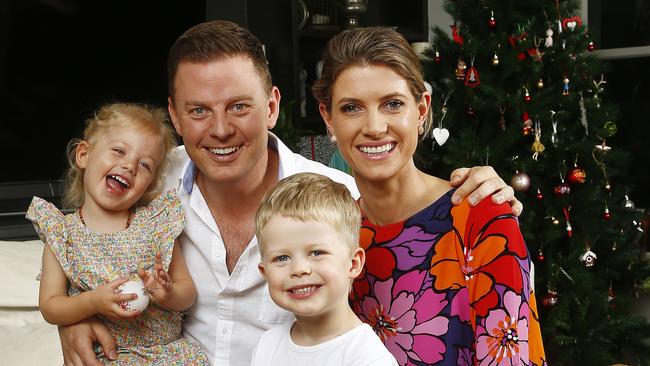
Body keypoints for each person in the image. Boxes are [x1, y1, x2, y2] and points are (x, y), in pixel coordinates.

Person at [58, 20, 522, 366]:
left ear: (273, 105)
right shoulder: (151, 180)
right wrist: (73, 314)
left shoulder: (332, 202)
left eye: (240, 106)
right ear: (175, 118)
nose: (220, 129)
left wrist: (487, 200)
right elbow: (80, 233)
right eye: (199, 110)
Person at [312, 26, 546, 366]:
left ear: (421, 110)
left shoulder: (479, 217)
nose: (375, 127)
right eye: (351, 108)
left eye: (393, 104)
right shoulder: (332, 235)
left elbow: (514, 355)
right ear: (328, 118)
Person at [26, 103, 208, 364]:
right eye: (119, 151)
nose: (130, 166)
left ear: (151, 183)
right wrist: (92, 302)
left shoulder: (156, 224)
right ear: (84, 155)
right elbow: (51, 306)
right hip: (105, 356)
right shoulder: (62, 234)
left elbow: (187, 292)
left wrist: (169, 293)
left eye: (144, 165)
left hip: (167, 354)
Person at [251, 172, 398, 365]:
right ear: (265, 272)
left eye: (316, 253)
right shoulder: (267, 345)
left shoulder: (367, 358)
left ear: (353, 263)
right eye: (282, 258)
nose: (299, 269)